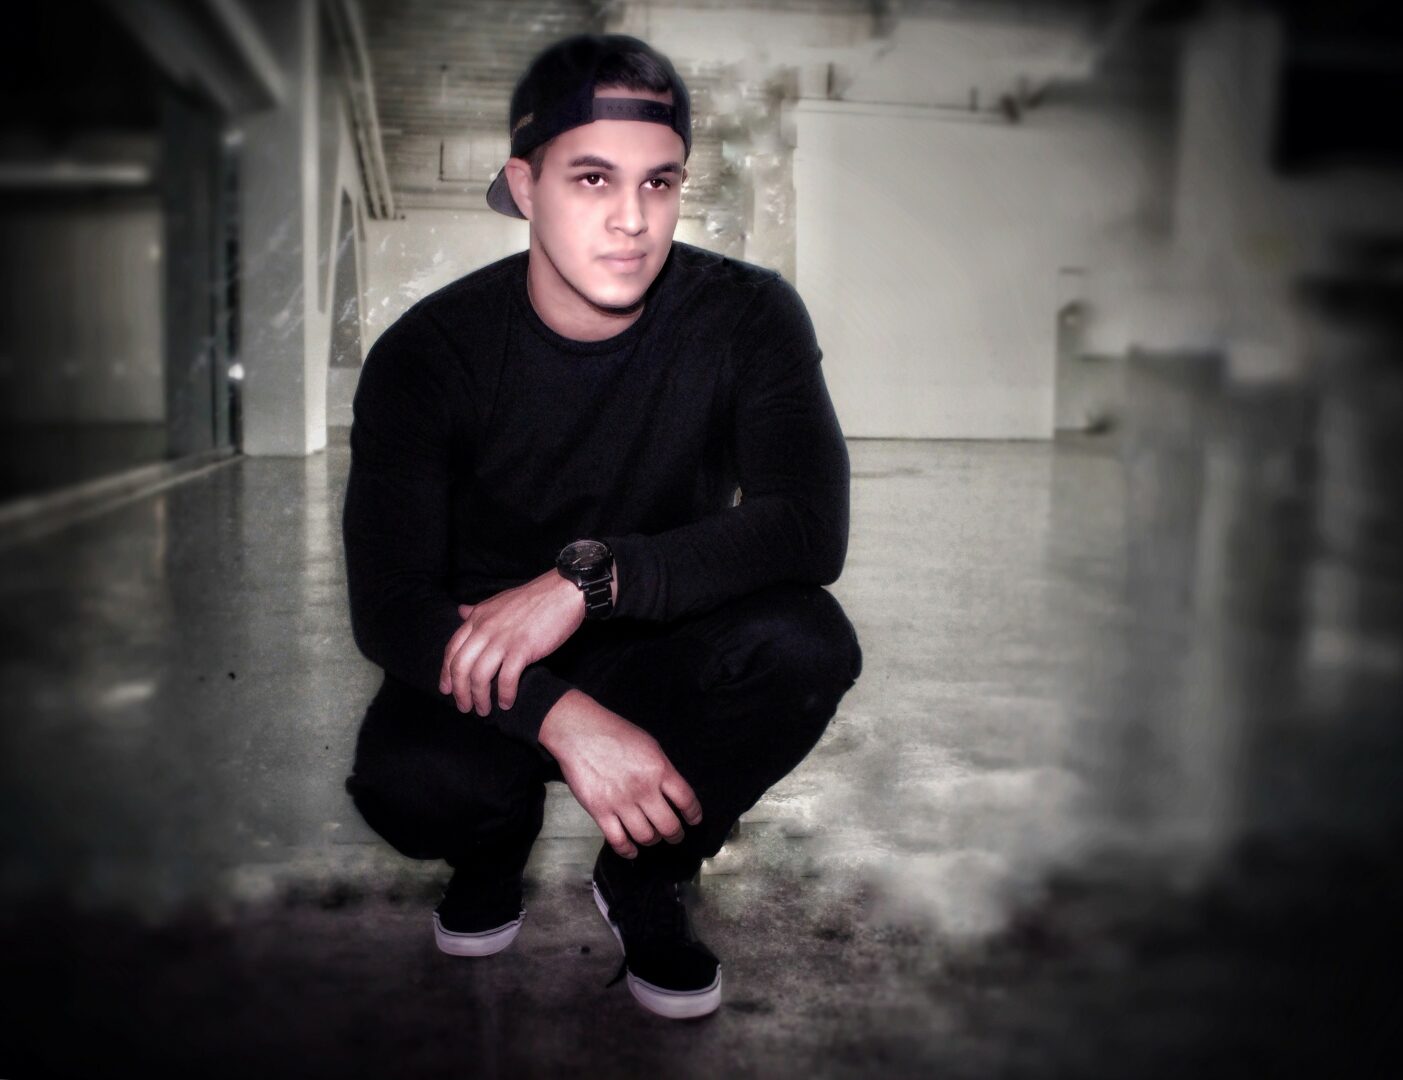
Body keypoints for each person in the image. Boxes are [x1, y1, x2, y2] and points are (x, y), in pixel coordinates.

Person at [342, 32, 861, 1021]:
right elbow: (391, 604)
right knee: (412, 784)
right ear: (524, 187)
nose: (632, 219)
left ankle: (646, 871)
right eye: (591, 179)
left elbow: (807, 526)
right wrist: (559, 716)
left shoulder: (747, 316)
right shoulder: (429, 354)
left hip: (661, 641)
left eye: (659, 182)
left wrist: (589, 581)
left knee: (806, 644)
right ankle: (491, 851)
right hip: (491, 663)